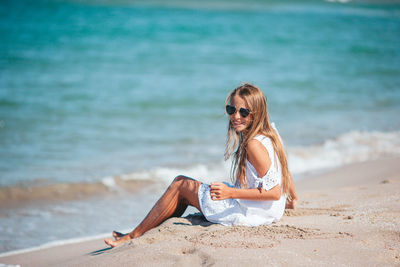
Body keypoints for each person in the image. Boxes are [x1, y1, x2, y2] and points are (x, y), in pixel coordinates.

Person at [104, 83, 298, 247]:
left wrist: (231, 193)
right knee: (188, 189)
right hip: (266, 209)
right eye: (232, 110)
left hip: (251, 213)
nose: (236, 116)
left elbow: (273, 191)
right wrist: (291, 199)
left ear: (256, 113)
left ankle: (133, 236)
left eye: (243, 112)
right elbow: (283, 168)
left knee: (180, 184)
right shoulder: (270, 132)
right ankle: (141, 230)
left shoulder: (254, 144)